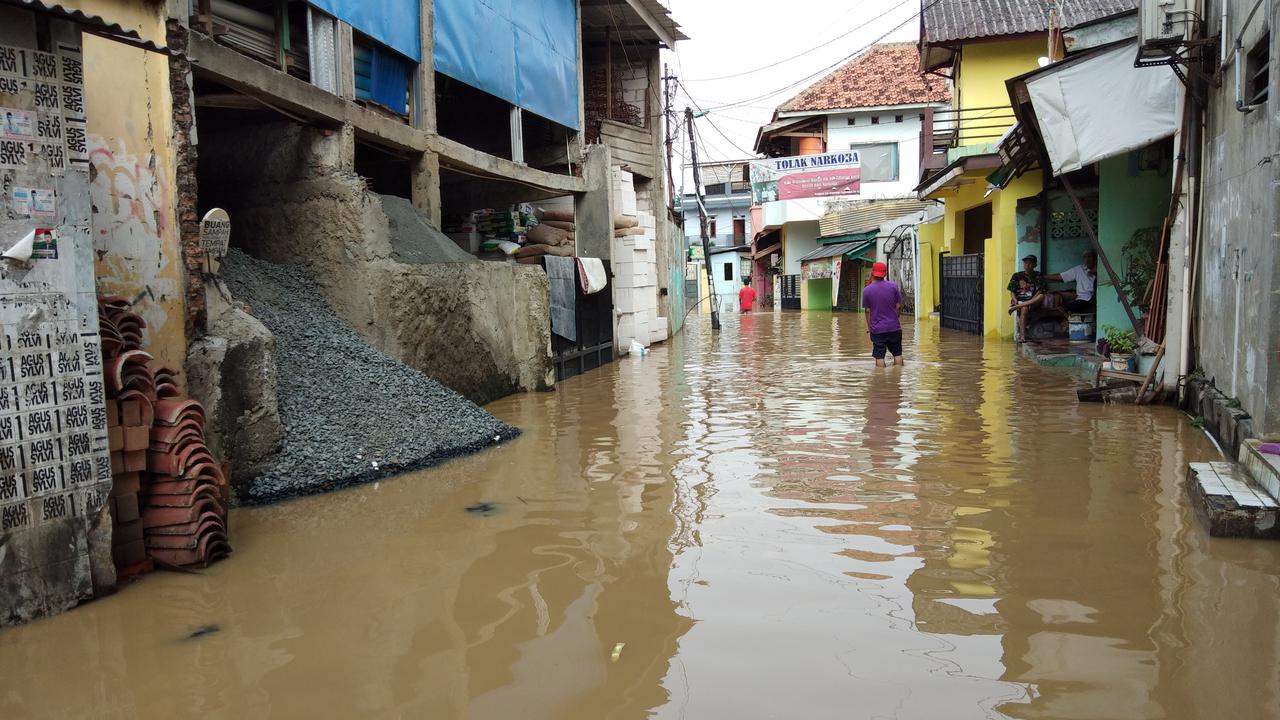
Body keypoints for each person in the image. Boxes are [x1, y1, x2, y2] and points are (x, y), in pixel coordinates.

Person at [862, 261, 903, 367]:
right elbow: (898, 306)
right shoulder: (893, 286)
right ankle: (898, 375)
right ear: (885, 273)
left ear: (872, 273)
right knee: (897, 354)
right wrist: (895, 318)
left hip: (877, 329)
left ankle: (880, 376)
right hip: (894, 327)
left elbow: (867, 311)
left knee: (879, 357)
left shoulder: (867, 290)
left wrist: (870, 328)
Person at [1007, 254, 1051, 342]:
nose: (1027, 265)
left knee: (1041, 296)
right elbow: (1012, 291)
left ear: (1035, 265)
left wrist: (1031, 301)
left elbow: (1040, 291)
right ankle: (1023, 337)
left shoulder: (1038, 275)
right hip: (1019, 300)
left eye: (1030, 263)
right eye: (1025, 263)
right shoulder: (1017, 275)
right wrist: (1015, 300)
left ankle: (1016, 308)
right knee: (1025, 308)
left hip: (1033, 300)